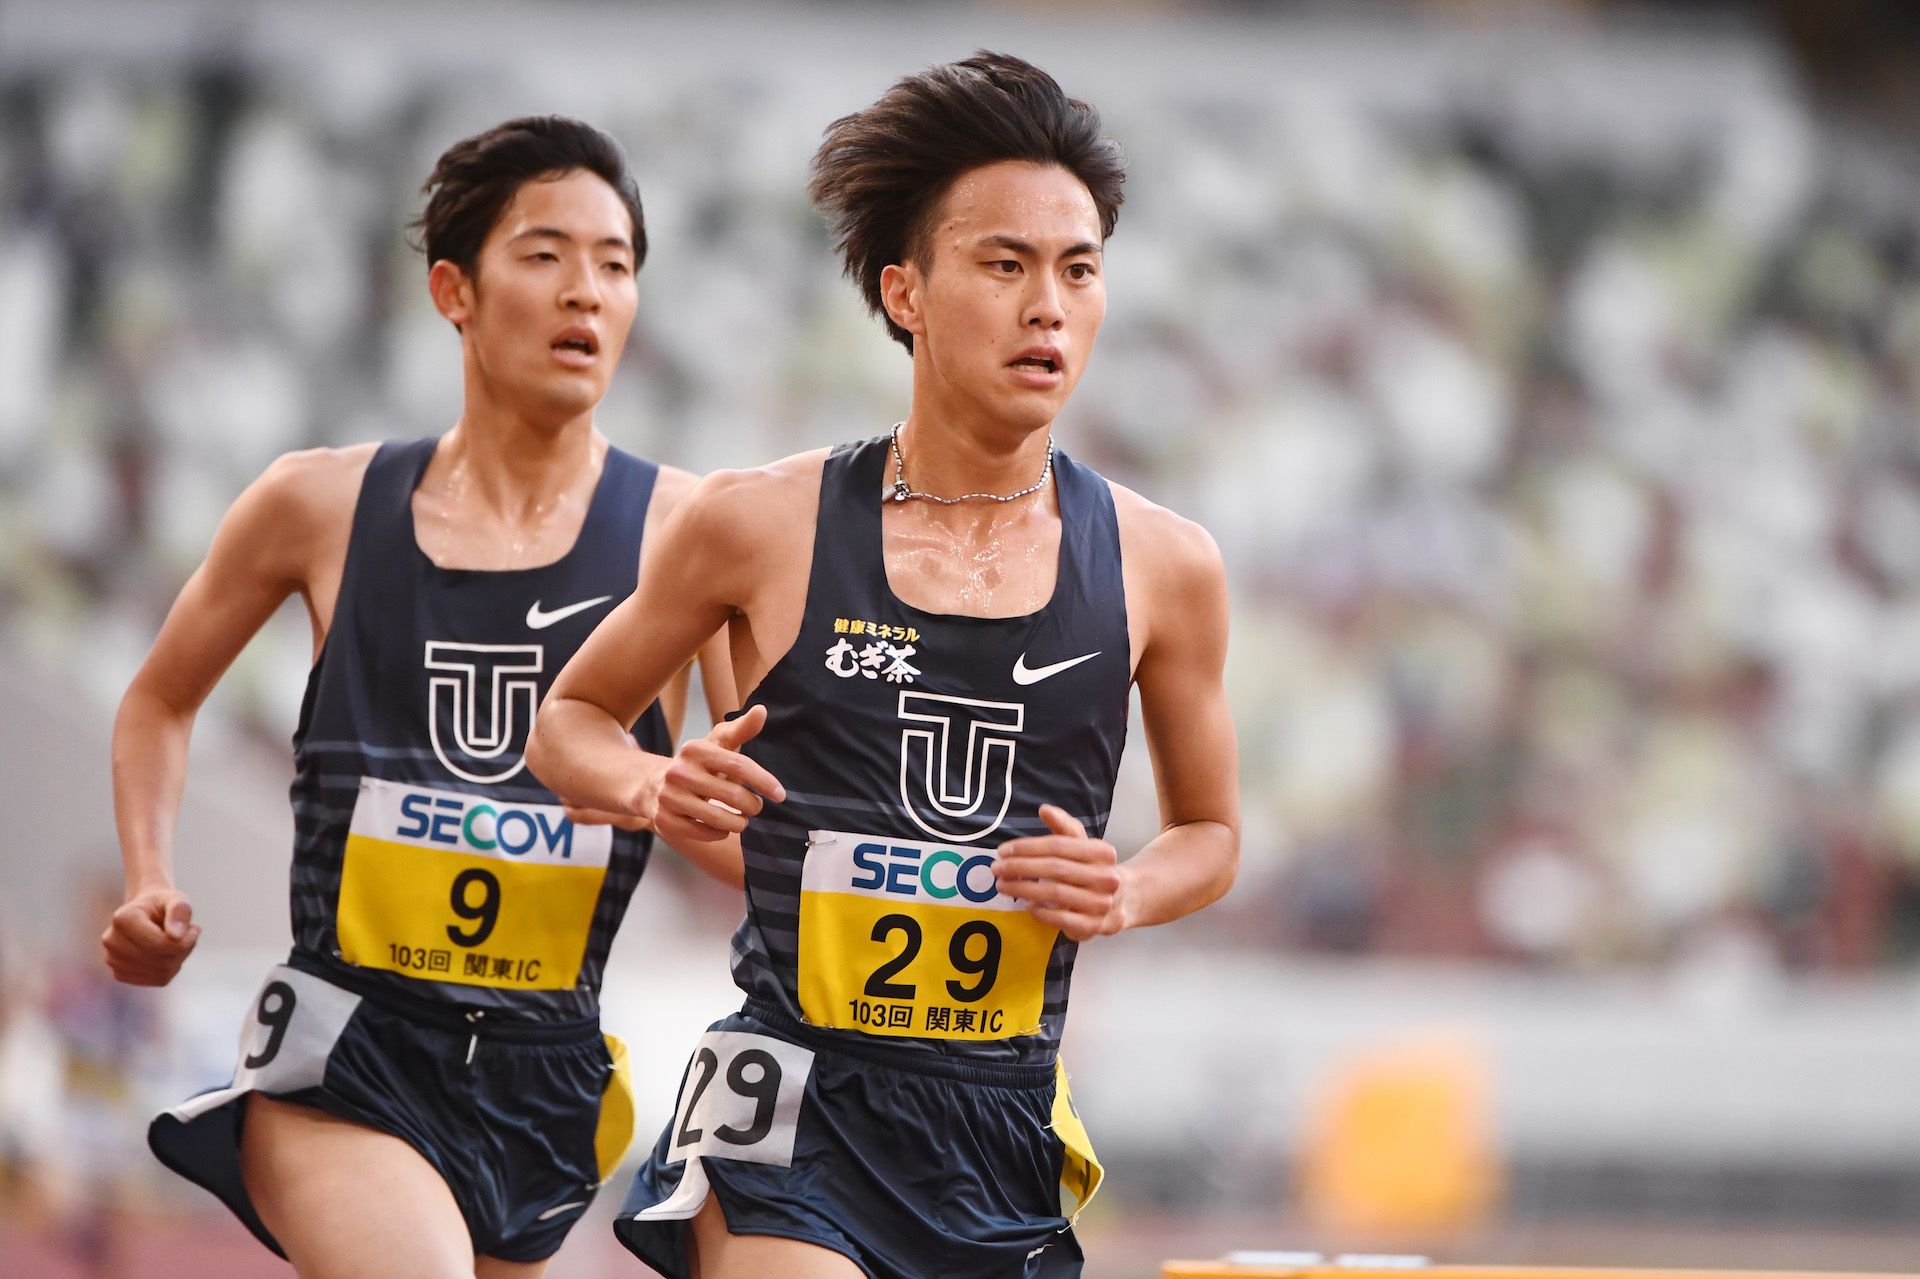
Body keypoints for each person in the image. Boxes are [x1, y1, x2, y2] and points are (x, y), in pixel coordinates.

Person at [525, 52, 1241, 1279]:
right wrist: (652, 786)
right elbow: (570, 720)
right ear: (905, 291)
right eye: (1004, 264)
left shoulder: (1165, 567)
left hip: (1001, 1126)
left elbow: (1212, 836)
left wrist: (1124, 888)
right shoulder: (761, 522)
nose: (1048, 307)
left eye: (1078, 269)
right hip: (793, 1105)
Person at [103, 115, 735, 1279]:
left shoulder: (693, 536)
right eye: (545, 255)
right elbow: (158, 700)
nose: (585, 293)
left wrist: (682, 803)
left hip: (547, 1077)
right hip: (350, 1045)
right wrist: (150, 879)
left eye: (615, 263)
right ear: (455, 288)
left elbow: (759, 844)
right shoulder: (318, 505)